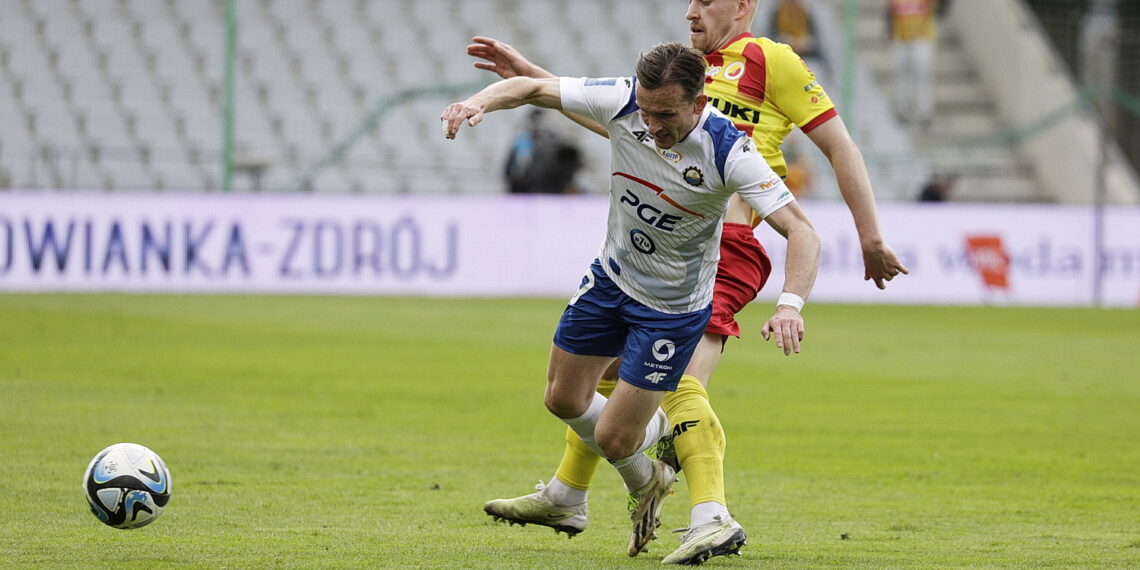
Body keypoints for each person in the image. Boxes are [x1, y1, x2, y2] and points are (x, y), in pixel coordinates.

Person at [467, 0, 908, 565]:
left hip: (724, 243)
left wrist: (869, 237)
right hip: (656, 239)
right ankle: (568, 493)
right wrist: (535, 78)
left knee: (674, 384)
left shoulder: (772, 61)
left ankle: (711, 516)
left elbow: (839, 146)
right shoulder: (677, 75)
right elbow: (621, 123)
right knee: (601, 378)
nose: (691, 11)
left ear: (744, 6)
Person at [887, 0, 940, 127]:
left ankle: (925, 112)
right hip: (901, 37)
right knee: (901, 76)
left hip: (922, 37)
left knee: (923, 75)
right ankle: (902, 110)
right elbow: (889, 12)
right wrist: (887, 33)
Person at [504, 109, 583, 194]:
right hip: (526, 190)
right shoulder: (523, 142)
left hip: (548, 190)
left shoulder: (554, 142)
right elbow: (510, 172)